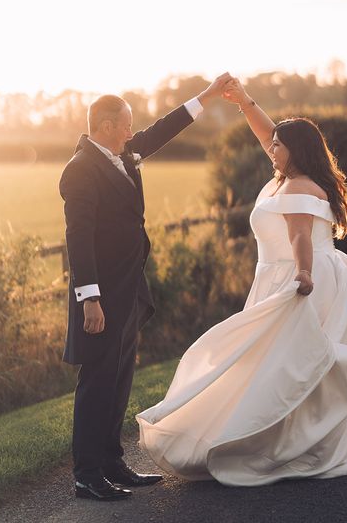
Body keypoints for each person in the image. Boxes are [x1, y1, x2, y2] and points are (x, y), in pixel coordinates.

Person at [137, 78, 347, 486]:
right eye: (272, 146)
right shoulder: (290, 172)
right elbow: (271, 134)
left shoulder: (300, 185)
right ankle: (286, 439)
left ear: (296, 152)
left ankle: (291, 444)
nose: (270, 149)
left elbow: (300, 235)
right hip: (282, 275)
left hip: (299, 277)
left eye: (277, 147)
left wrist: (302, 275)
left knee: (289, 365)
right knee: (280, 363)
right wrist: (245, 102)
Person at [59, 72, 233, 501]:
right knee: (97, 380)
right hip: (100, 295)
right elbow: (78, 239)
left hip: (130, 287)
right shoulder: (80, 170)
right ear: (104, 128)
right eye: (125, 124)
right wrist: (90, 299)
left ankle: (111, 461)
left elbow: (162, 130)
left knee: (120, 377)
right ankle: (86, 474)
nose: (132, 131)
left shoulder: (125, 152)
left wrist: (206, 97)